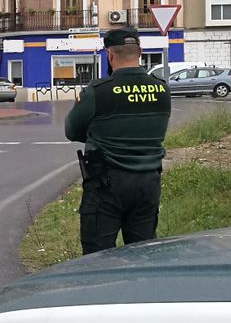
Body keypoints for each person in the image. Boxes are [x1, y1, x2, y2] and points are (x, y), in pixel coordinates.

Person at [64, 28, 172, 254]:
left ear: (110, 55)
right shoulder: (161, 90)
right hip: (148, 184)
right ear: (140, 52)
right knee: (143, 255)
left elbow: (72, 130)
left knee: (97, 259)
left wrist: (100, 134)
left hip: (106, 184)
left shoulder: (97, 91)